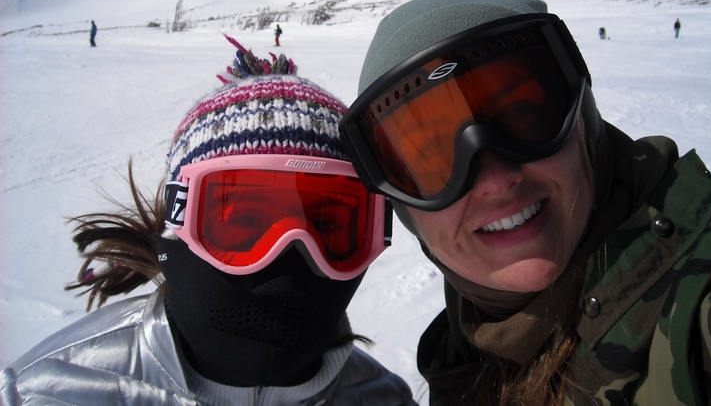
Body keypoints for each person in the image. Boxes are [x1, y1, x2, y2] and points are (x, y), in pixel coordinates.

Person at [338, 0, 711, 405]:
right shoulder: (463, 356)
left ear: (584, 124)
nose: (494, 179)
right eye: (433, 159)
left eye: (523, 114)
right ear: (406, 211)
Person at [2, 36, 415, 406]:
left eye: (328, 227)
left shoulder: (386, 398)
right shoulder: (50, 392)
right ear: (177, 215)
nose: (286, 265)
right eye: (244, 220)